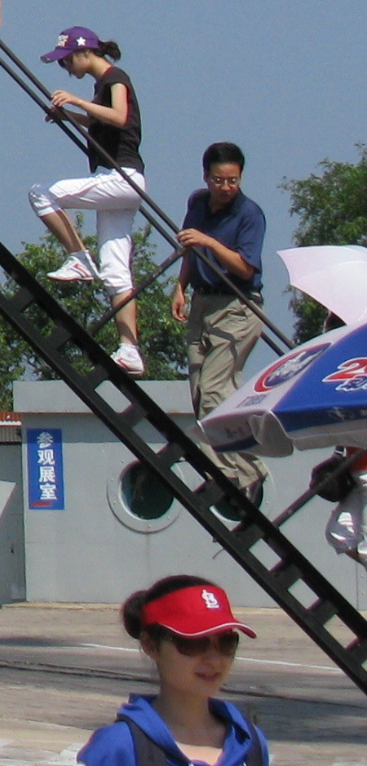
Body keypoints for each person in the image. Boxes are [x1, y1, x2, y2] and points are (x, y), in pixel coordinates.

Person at [31, 28, 150, 376]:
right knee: (116, 269)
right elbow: (103, 121)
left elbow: (119, 116)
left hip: (120, 176)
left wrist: (78, 102)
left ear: (84, 53)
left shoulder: (115, 78)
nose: (65, 67)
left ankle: (79, 258)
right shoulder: (103, 85)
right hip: (121, 181)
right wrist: (72, 116)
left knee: (41, 193)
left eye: (67, 60)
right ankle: (130, 350)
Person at [73, 579, 268, 766]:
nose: (215, 659)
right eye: (193, 643)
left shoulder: (249, 742)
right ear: (150, 645)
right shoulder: (120, 746)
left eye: (226, 642)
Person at [171, 143, 274, 498]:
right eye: (219, 180)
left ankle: (247, 473)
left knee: (216, 391)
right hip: (202, 302)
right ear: (206, 177)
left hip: (238, 306)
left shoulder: (250, 215)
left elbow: (245, 268)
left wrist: (210, 242)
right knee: (201, 395)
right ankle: (234, 469)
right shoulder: (197, 204)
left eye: (233, 180)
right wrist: (180, 287)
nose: (226, 187)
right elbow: (189, 248)